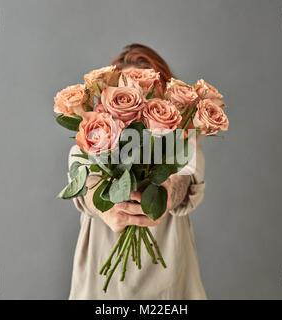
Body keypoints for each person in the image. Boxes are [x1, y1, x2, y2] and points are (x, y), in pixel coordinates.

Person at [68, 44, 207, 299]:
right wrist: (105, 206)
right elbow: (85, 182)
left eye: (149, 92)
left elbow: (182, 181)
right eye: (126, 90)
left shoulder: (183, 142)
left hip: (169, 286)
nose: (138, 98)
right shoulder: (90, 136)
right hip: (100, 288)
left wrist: (162, 198)